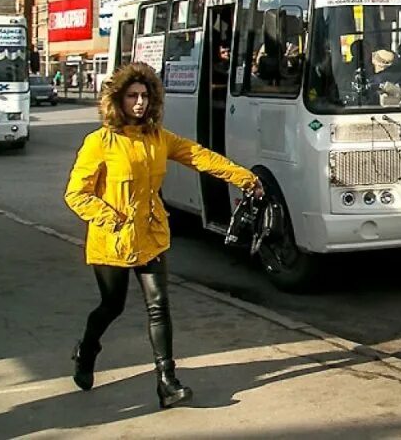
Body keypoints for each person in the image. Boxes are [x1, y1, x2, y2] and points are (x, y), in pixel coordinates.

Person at [64, 62, 262, 408]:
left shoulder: (158, 138)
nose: (139, 103)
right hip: (113, 238)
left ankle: (167, 381)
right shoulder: (100, 142)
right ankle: (87, 349)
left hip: (151, 234)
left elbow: (199, 156)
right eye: (132, 96)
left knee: (159, 307)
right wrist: (109, 218)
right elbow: (76, 194)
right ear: (118, 100)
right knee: (112, 306)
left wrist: (244, 177)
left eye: (145, 96)